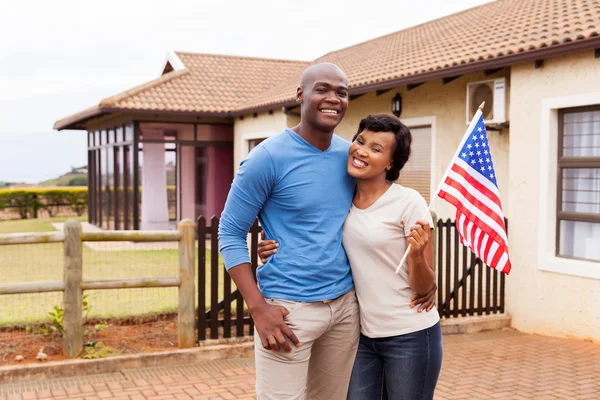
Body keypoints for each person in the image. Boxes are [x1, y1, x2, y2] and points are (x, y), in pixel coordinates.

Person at [218, 63, 436, 400]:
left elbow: (368, 216)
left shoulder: (349, 157)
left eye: (342, 92)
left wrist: (422, 270)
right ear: (301, 95)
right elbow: (230, 233)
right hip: (289, 311)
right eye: (322, 89)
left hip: (346, 310)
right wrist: (258, 308)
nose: (332, 98)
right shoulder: (266, 158)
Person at [259, 114, 443, 400]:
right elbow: (314, 235)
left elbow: (425, 288)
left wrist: (417, 256)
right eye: (360, 141)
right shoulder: (342, 197)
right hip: (363, 336)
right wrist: (273, 246)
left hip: (410, 335)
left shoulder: (409, 202)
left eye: (376, 149)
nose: (361, 150)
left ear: (391, 164)